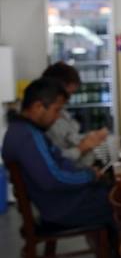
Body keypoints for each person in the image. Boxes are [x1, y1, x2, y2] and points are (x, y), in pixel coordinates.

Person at [1, 78, 113, 228]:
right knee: (120, 198)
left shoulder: (22, 130)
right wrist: (90, 175)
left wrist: (86, 172)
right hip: (63, 209)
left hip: (58, 202)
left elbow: (57, 162)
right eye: (56, 110)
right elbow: (54, 179)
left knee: (114, 190)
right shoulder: (28, 137)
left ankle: (118, 247)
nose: (58, 116)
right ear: (38, 107)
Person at [43, 62, 108, 167]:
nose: (68, 99)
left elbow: (70, 139)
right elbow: (56, 160)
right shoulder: (47, 120)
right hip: (76, 174)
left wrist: (90, 138)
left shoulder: (61, 112)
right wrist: (82, 147)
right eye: (68, 94)